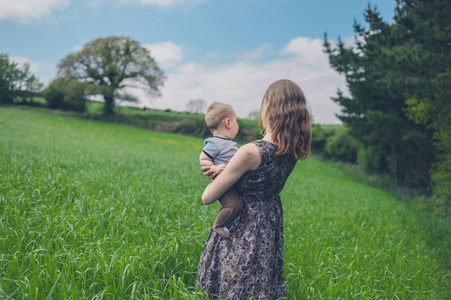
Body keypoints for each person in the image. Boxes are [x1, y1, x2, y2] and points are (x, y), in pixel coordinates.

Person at [197, 79, 311, 299]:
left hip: (242, 226)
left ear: (270, 109)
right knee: (259, 287)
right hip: (269, 223)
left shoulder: (250, 151)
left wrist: (213, 173)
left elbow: (207, 197)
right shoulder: (291, 151)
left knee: (234, 285)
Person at [200, 102, 241, 238]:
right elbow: (203, 159)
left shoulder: (229, 143)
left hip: (231, 179)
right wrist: (214, 168)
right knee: (232, 205)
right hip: (222, 182)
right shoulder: (214, 143)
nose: (238, 125)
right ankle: (218, 226)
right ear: (228, 122)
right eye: (237, 122)